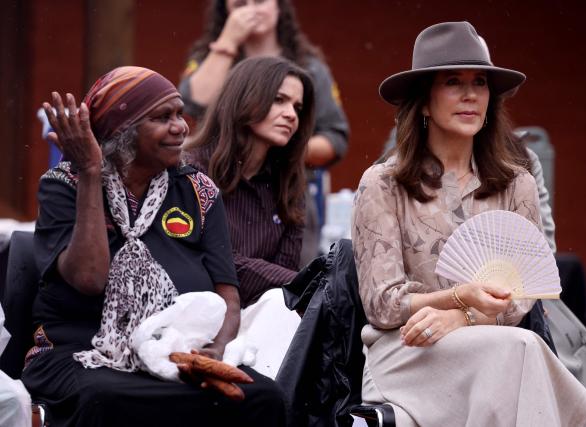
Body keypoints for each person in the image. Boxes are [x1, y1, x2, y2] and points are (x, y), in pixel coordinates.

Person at [351, 22, 586, 426]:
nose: (470, 95)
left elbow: (521, 299)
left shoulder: (517, 183)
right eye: (453, 82)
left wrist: (461, 317)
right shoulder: (383, 183)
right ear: (425, 102)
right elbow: (382, 304)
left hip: (496, 344)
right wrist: (457, 297)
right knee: (521, 351)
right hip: (408, 353)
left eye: (480, 82)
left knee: (516, 349)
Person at [22, 66, 286, 426]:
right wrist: (90, 172)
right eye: (163, 118)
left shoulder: (198, 190)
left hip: (176, 354)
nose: (181, 127)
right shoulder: (64, 184)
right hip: (83, 352)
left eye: (180, 114)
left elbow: (229, 297)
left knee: (264, 398)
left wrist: (214, 351)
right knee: (105, 398)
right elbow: (90, 279)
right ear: (122, 130)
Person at [179, 0, 350, 265]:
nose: (251, 9)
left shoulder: (310, 66)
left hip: (285, 187)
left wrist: (280, 148)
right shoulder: (210, 56)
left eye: (259, 1)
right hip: (221, 179)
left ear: (279, 7)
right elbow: (190, 103)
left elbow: (336, 139)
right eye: (239, 4)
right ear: (225, 11)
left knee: (291, 284)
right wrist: (227, 41)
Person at [183, 56, 313, 378]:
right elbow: (206, 262)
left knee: (281, 309)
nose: (290, 115)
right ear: (245, 98)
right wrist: (302, 280)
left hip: (260, 317)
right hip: (197, 316)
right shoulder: (191, 172)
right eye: (279, 100)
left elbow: (281, 279)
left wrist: (293, 281)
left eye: (297, 107)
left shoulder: (287, 185)